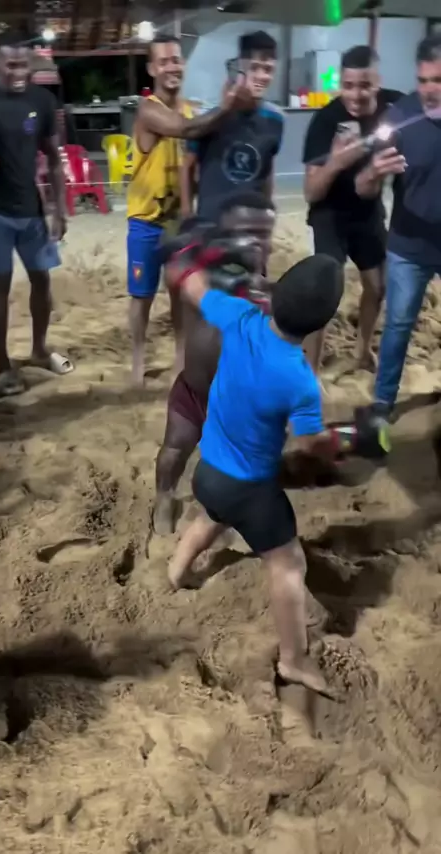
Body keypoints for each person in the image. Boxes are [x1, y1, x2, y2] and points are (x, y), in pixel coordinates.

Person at [162, 236, 388, 697]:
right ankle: (293, 660)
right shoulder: (298, 378)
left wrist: (196, 258)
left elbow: (190, 283)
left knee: (212, 515)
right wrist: (353, 438)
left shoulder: (239, 316)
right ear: (321, 324)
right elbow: (310, 443)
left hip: (207, 469)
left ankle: (178, 573)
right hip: (250, 489)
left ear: (274, 294)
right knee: (288, 563)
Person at [126, 33, 254, 387]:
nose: (172, 67)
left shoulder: (189, 107)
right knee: (141, 296)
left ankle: (181, 359)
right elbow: (187, 130)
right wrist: (226, 106)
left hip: (177, 220)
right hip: (145, 219)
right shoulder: (148, 109)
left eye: (176, 60)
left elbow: (201, 153)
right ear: (152, 69)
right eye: (164, 61)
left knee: (181, 292)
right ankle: (137, 363)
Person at [154, 190, 275, 534]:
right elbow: (175, 272)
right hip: (193, 390)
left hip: (238, 403)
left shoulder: (269, 293)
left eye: (263, 233)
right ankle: (164, 496)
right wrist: (189, 246)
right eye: (246, 232)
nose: (255, 241)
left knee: (232, 470)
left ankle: (221, 519)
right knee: (173, 451)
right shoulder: (198, 273)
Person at [0, 29, 70, 397]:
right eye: (11, 65)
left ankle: (39, 349)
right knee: (0, 284)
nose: (18, 72)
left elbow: (54, 159)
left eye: (23, 65)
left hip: (31, 209)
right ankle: (3, 363)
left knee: (42, 280)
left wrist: (59, 210)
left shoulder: (42, 99)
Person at [302, 45, 403, 374]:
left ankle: (362, 350)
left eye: (364, 85)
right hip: (329, 213)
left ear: (378, 83)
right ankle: (311, 368)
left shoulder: (395, 106)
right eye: (348, 86)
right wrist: (336, 162)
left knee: (379, 285)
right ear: (340, 84)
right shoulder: (325, 121)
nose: (356, 95)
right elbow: (311, 193)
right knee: (325, 291)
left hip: (368, 211)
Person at [355, 34, 441, 421]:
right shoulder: (399, 118)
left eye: (438, 80)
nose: (429, 89)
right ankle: (383, 401)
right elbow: (363, 188)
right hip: (408, 246)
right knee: (398, 325)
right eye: (422, 80)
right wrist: (374, 172)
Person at [180, 30, 284, 221]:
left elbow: (267, 167)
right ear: (239, 68)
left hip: (251, 222)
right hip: (211, 221)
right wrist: (187, 214)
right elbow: (188, 166)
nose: (262, 76)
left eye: (268, 69)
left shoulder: (275, 119)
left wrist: (269, 207)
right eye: (254, 68)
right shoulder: (208, 117)